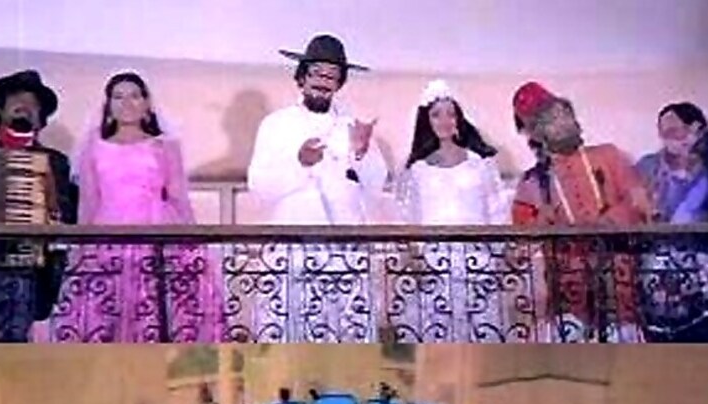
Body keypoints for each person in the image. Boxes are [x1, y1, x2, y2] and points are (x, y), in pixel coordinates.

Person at [38, 71, 223, 342]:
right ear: (108, 105)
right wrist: (81, 248)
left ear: (146, 103)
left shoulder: (165, 146)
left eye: (135, 96)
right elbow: (89, 202)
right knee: (107, 307)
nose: (127, 103)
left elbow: (178, 196)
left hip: (157, 229)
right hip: (107, 232)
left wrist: (195, 242)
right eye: (119, 97)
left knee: (160, 306)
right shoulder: (93, 148)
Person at [510, 81, 651, 342]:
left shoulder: (609, 156)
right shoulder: (531, 183)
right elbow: (521, 248)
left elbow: (640, 203)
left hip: (620, 290)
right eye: (549, 119)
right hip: (568, 299)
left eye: (562, 115)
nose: (560, 123)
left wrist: (607, 222)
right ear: (533, 132)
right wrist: (542, 222)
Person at [0, 70, 77, 342]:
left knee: (10, 351)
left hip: (21, 271)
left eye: (33, 103)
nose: (24, 106)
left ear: (41, 118)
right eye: (16, 99)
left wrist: (49, 212)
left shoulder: (54, 162)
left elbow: (64, 218)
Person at [635, 102, 708, 342]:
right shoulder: (648, 167)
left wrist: (707, 151)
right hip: (658, 279)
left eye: (675, 130)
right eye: (663, 132)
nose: (669, 137)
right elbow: (634, 208)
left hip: (706, 280)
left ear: (695, 130)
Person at [247, 34, 385, 225]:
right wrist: (301, 164)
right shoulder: (276, 124)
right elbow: (259, 188)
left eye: (331, 76)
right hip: (292, 239)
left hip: (346, 240)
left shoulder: (352, 126)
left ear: (339, 84)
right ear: (302, 77)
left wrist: (361, 154)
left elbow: (376, 186)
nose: (322, 82)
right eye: (316, 72)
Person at [396, 79, 511, 225]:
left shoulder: (480, 164)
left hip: (475, 238)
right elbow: (410, 218)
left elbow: (497, 213)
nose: (444, 121)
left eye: (450, 114)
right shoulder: (418, 171)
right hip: (432, 239)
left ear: (458, 119)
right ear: (427, 120)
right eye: (436, 115)